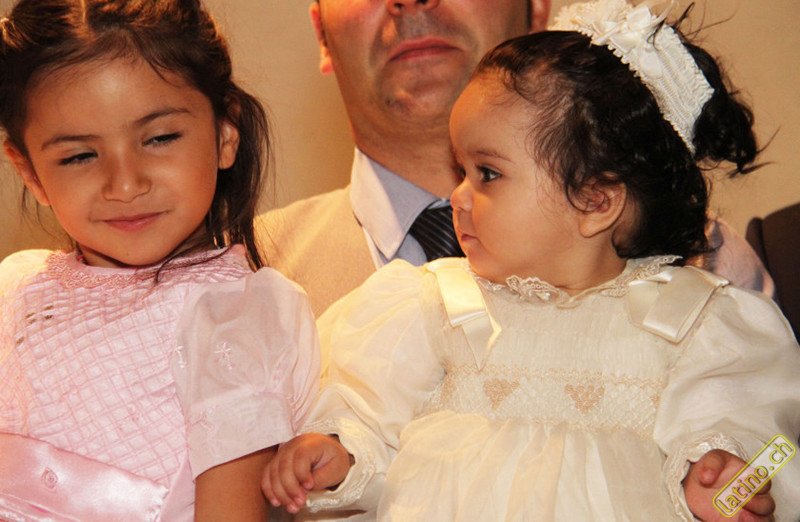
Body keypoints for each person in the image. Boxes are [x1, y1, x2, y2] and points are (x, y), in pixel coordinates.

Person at [262, 1, 800, 520]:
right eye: (462, 171)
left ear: (595, 201)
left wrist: (725, 480)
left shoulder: (687, 319)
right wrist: (342, 452)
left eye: (487, 173)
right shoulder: (443, 303)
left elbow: (773, 441)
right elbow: (371, 410)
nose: (458, 196)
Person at [0, 0, 319, 520]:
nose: (126, 185)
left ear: (225, 132)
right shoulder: (15, 290)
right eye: (79, 156)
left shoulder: (232, 315)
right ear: (30, 172)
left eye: (160, 138)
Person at [255, 0, 773, 318]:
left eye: (488, 173)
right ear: (321, 35)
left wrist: (741, 471)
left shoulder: (709, 262)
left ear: (538, 7)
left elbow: (780, 446)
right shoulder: (245, 274)